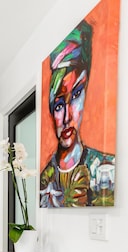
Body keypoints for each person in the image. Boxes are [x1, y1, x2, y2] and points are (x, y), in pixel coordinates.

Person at [39, 20, 115, 207]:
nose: (67, 118)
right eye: (58, 105)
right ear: (49, 109)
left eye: (76, 95)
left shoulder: (107, 171)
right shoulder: (43, 181)